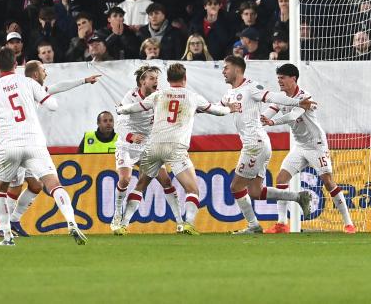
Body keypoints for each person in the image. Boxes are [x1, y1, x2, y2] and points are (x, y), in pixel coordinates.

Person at [0, 47, 87, 245]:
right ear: (16, 64)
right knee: (53, 184)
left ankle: (6, 235)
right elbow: (53, 105)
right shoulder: (28, 82)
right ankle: (72, 222)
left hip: (8, 146)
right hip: (34, 143)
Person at [115, 63, 240, 235]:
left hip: (154, 146)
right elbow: (217, 111)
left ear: (167, 80)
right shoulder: (192, 97)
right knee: (193, 189)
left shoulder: (159, 95)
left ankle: (123, 224)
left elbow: (137, 107)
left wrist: (120, 109)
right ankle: (187, 223)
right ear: (185, 79)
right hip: (176, 148)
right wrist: (230, 108)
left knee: (140, 186)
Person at [221, 55, 315, 234]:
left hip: (254, 144)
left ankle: (253, 226)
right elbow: (217, 108)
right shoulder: (229, 93)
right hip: (258, 144)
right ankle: (298, 197)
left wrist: (297, 102)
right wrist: (196, 107)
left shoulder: (251, 87)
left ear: (237, 69)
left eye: (226, 67)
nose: (223, 71)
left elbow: (273, 97)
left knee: (235, 187)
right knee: (256, 192)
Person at [5, 60, 100, 237]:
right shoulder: (31, 88)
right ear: (35, 75)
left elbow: (58, 87)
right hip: (20, 143)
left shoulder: (21, 88)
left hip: (22, 143)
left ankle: (13, 221)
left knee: (36, 185)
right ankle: (2, 226)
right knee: (15, 187)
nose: (46, 73)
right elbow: (53, 97)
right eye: (43, 70)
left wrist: (84, 80)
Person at [261, 64, 355, 234]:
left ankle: (348, 223)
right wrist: (255, 120)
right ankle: (282, 224)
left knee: (327, 181)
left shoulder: (305, 97)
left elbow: (292, 115)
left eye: (282, 77)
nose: (279, 81)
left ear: (293, 78)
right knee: (281, 178)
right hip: (300, 146)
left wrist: (273, 123)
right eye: (278, 77)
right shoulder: (281, 97)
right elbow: (266, 114)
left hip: (316, 145)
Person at [109, 66, 183, 234]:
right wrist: (130, 137)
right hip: (127, 145)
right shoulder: (130, 96)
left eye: (156, 78)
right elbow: (119, 123)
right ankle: (116, 216)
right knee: (125, 180)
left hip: (148, 145)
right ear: (142, 81)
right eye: (151, 78)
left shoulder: (161, 96)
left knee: (166, 181)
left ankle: (180, 222)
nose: (155, 80)